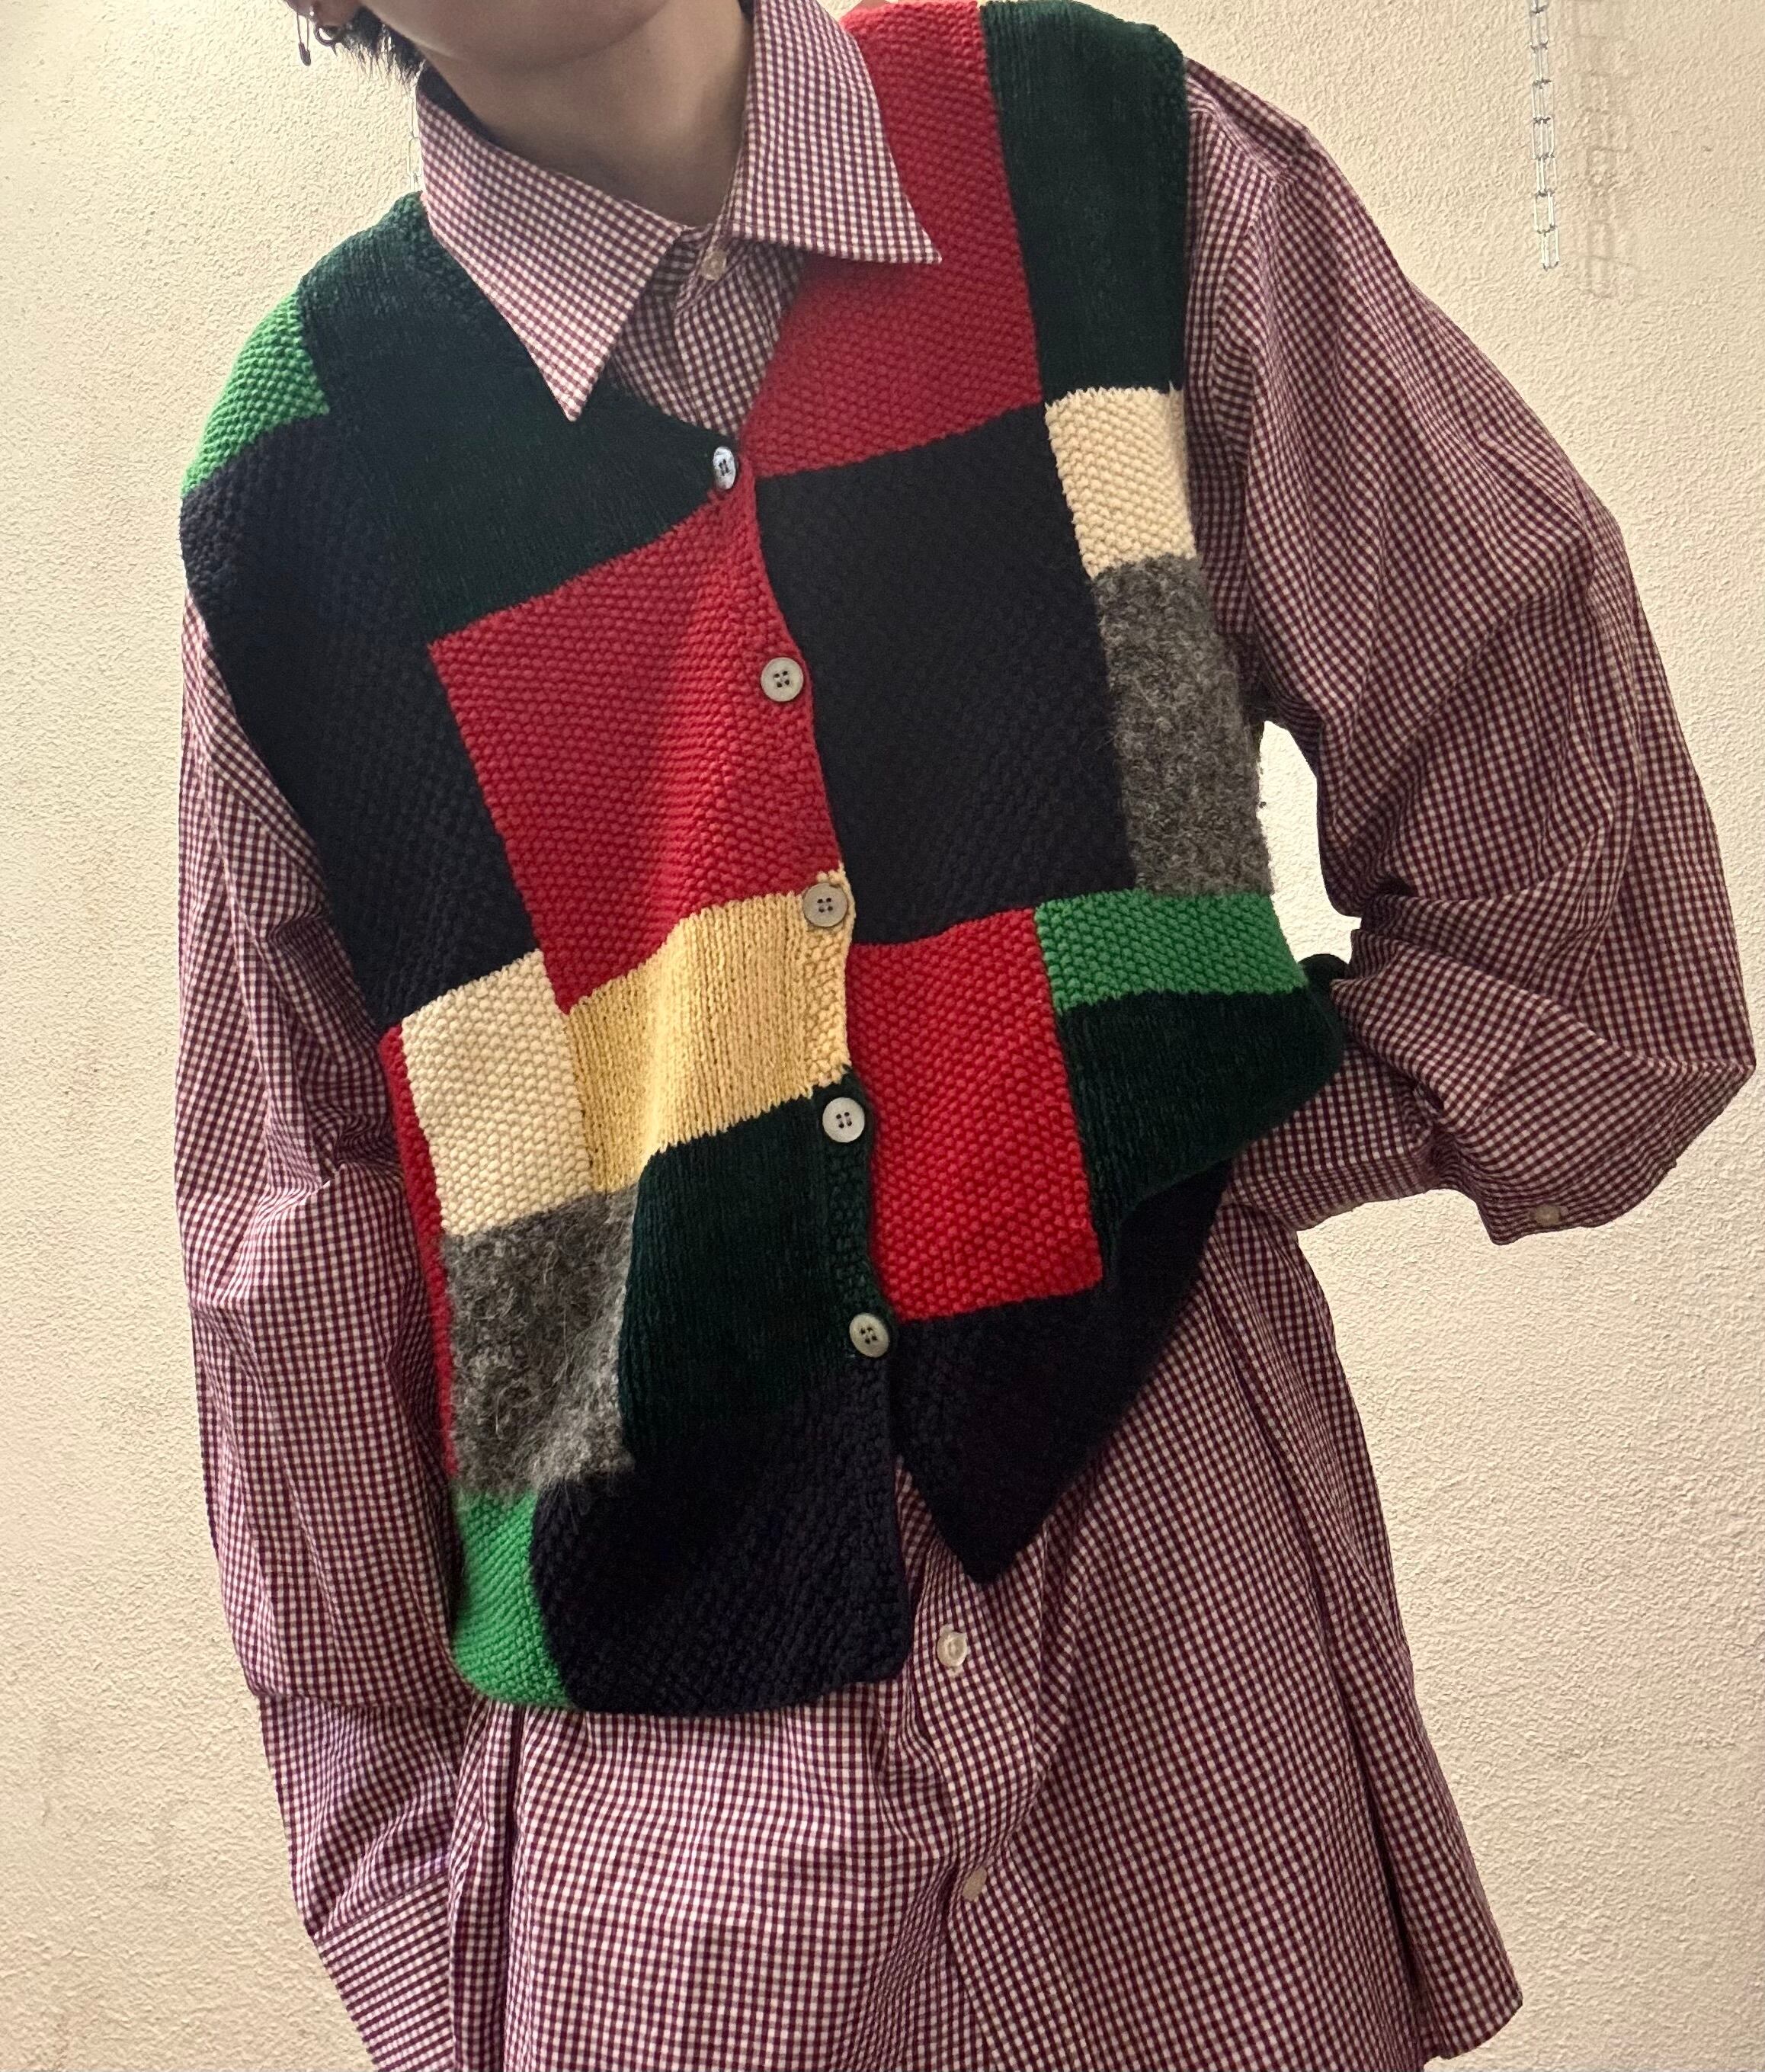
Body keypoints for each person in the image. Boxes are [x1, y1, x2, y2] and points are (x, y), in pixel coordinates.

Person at [172, 1, 1754, 2067]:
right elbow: (286, 1239)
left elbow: (1566, 872)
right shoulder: (300, 479)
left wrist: (1168, 1137)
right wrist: (415, 1907)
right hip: (663, 1841)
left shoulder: (1104, 174)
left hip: (1187, 1647)